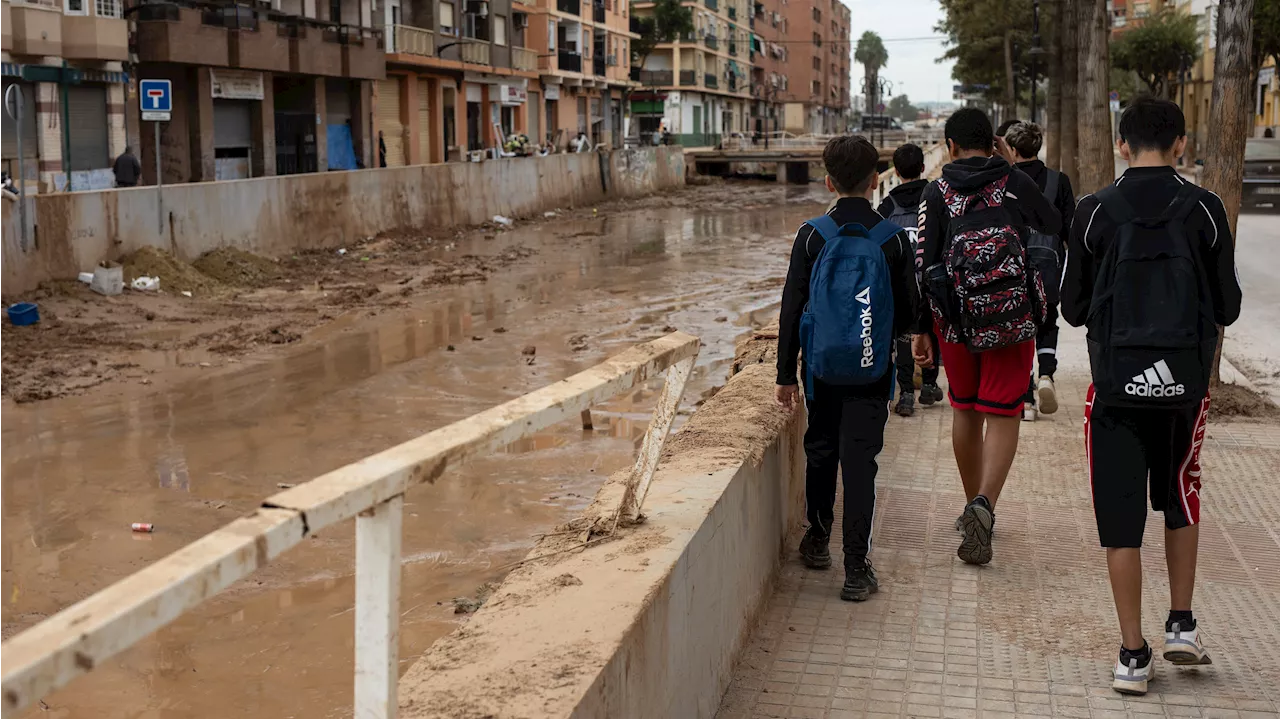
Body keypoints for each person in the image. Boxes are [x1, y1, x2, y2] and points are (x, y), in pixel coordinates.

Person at [1061, 96, 1241, 696]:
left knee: (1120, 522)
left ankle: (1132, 656)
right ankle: (1182, 626)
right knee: (1180, 498)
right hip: (1184, 390)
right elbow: (1229, 306)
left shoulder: (1092, 212)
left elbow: (1074, 307)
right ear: (1181, 145)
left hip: (1116, 390)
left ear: (1121, 144)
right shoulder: (1206, 210)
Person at [912, 107, 1060, 565]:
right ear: (994, 142)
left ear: (950, 146)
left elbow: (924, 262)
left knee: (965, 409)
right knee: (1003, 414)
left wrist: (922, 330)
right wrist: (1013, 170)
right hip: (1012, 318)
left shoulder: (936, 192)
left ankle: (969, 504)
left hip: (955, 321)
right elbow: (1052, 224)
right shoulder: (1014, 182)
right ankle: (985, 504)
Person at [776, 135, 920, 601]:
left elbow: (791, 309)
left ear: (828, 181)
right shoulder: (893, 239)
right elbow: (906, 315)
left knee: (820, 451)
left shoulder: (811, 234)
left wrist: (783, 374)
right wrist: (901, 376)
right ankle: (856, 569)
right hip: (871, 369)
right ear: (877, 181)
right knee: (861, 464)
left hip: (819, 370)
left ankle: (817, 540)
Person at [1000, 121, 1077, 421]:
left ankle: (1025, 399)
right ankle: (1046, 374)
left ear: (1014, 150)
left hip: (1013, 267)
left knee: (1018, 330)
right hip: (1048, 268)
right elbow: (1069, 230)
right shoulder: (1059, 181)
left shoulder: (1006, 181)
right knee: (1047, 321)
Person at [876, 142, 942, 417]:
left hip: (899, 280)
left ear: (896, 170)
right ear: (923, 167)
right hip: (930, 277)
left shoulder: (887, 204)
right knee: (931, 328)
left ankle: (905, 394)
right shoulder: (936, 197)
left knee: (904, 335)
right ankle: (928, 384)